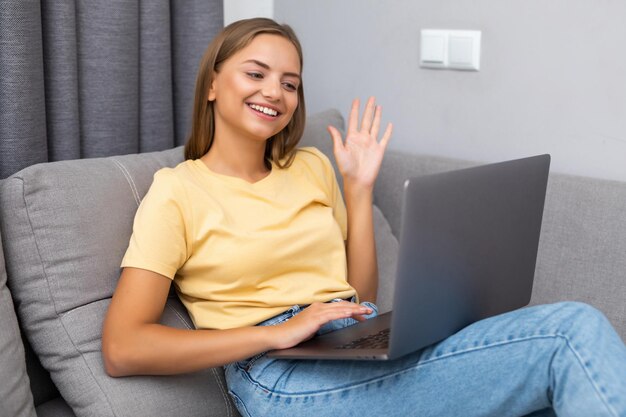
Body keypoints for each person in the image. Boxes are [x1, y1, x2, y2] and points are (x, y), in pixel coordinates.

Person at [102, 18, 626, 417]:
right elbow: (124, 347)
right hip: (273, 372)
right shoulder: (177, 192)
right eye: (256, 73)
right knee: (567, 332)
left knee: (548, 359)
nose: (274, 92)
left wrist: (358, 189)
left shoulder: (310, 166)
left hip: (349, 340)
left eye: (290, 82)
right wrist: (275, 334)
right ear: (213, 84)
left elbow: (355, 293)